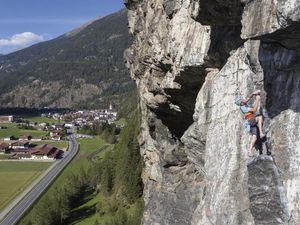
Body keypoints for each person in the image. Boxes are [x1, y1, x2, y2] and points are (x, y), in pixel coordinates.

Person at [235, 90, 266, 157]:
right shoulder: (243, 108)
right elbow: (254, 110)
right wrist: (257, 100)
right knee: (260, 117)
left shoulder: (244, 104)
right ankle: (261, 133)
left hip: (250, 124)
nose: (244, 99)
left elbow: (247, 99)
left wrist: (253, 94)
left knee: (254, 137)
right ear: (241, 102)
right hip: (250, 121)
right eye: (242, 99)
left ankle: (249, 151)